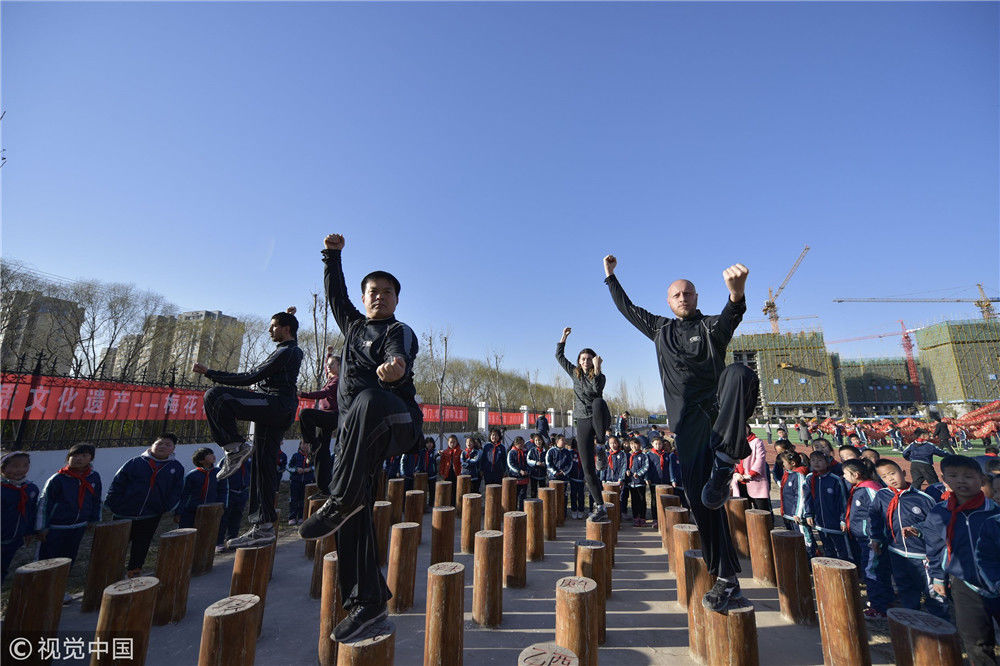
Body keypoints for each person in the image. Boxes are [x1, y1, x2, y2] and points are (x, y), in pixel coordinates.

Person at [604, 253, 756, 611]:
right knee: (705, 504)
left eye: (688, 293)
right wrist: (611, 276)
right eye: (677, 295)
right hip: (686, 430)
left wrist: (736, 294)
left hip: (717, 419)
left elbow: (733, 317)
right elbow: (628, 308)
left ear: (697, 298)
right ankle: (726, 579)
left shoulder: (710, 328)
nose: (683, 298)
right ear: (669, 303)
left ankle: (726, 458)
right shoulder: (660, 329)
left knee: (740, 374)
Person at [297, 233, 423, 642]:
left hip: (398, 420)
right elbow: (336, 296)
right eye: (373, 291)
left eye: (388, 292)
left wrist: (396, 367)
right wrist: (332, 257)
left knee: (369, 397)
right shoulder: (352, 326)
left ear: (396, 300)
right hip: (357, 437)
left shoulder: (397, 330)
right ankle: (366, 602)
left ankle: (342, 499)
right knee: (351, 512)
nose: (379, 297)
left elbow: (400, 354)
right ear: (365, 297)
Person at [195, 307, 303, 548]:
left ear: (286, 329)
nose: (269, 329)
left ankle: (235, 447)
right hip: (275, 410)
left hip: (275, 404)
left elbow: (251, 377)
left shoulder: (289, 351)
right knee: (264, 468)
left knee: (216, 396)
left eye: (274, 325)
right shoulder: (284, 351)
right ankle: (263, 527)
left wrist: (211, 373)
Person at [921, 455, 999, 665]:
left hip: (997, 581)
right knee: (976, 640)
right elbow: (935, 548)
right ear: (944, 479)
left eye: (968, 476)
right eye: (954, 476)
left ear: (982, 479)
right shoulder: (939, 513)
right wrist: (938, 577)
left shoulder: (994, 511)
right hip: (965, 585)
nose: (961, 481)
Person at [869, 458, 947, 619]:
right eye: (885, 477)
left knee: (931, 593)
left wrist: (918, 530)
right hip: (896, 553)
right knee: (905, 589)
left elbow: (935, 526)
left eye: (893, 473)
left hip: (921, 555)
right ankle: (912, 622)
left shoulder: (923, 498)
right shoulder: (882, 496)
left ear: (903, 473)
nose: (890, 478)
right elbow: (875, 517)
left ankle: (941, 626)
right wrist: (876, 537)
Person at [555, 326, 612, 522]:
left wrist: (597, 369)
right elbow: (559, 357)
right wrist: (564, 337)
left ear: (593, 360)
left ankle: (601, 445)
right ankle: (600, 506)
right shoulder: (574, 373)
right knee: (588, 468)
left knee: (597, 402)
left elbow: (596, 390)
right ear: (579, 361)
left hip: (599, 418)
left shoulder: (599, 376)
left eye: (589, 359)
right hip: (583, 422)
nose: (585, 361)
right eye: (583, 359)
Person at [105, 435, 183, 575]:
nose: (163, 446)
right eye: (160, 443)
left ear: (173, 449)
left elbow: (176, 491)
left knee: (142, 543)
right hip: (124, 513)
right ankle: (109, 573)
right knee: (116, 544)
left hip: (151, 514)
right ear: (152, 445)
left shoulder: (176, 467)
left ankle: (134, 571)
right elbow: (117, 484)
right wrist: (115, 504)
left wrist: (165, 507)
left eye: (168, 444)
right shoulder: (135, 462)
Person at [37, 444, 102, 577]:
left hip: (78, 526)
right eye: (75, 455)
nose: (78, 459)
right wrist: (41, 527)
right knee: (47, 560)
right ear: (68, 458)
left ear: (91, 458)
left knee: (68, 558)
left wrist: (94, 519)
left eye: (84, 456)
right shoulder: (58, 479)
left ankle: (60, 588)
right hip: (56, 527)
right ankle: (40, 590)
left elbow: (96, 500)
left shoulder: (94, 477)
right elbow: (45, 503)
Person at [840, 459, 892, 618]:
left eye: (845, 474)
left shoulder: (870, 490)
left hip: (872, 540)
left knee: (872, 570)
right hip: (865, 538)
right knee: (875, 570)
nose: (843, 477)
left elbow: (880, 513)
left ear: (856, 474)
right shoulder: (860, 488)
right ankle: (885, 601)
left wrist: (875, 537)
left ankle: (878, 607)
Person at [298, 349, 340, 500]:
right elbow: (326, 369)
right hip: (326, 419)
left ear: (340, 367)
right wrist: (328, 356)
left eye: (332, 365)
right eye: (328, 365)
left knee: (305, 414)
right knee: (321, 455)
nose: (328, 367)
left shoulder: (337, 381)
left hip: (332, 416)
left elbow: (323, 393)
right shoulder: (330, 378)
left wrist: (304, 395)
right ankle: (324, 488)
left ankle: (312, 443)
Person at [803, 451, 850, 560]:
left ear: (827, 462)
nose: (816, 463)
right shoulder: (810, 478)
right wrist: (809, 514)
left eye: (820, 460)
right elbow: (808, 498)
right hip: (819, 522)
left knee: (841, 550)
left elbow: (842, 501)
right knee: (827, 548)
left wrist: (843, 519)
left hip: (835, 522)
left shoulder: (835, 480)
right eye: (813, 460)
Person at [1, 451, 39, 581]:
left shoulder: (31, 489)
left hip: (14, 539)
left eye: (25, 465)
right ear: (3, 468)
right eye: (15, 466)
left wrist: (29, 532)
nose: (20, 470)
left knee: (3, 568)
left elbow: (31, 512)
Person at [176, 447, 225, 529]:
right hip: (191, 511)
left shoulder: (219, 473)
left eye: (212, 453)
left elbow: (223, 491)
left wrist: (222, 506)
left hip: (211, 509)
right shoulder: (192, 475)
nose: (213, 455)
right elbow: (184, 494)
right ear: (201, 460)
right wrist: (179, 512)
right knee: (189, 531)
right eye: (209, 454)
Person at [731, 425, 770, 512]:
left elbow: (760, 459)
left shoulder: (757, 441)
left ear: (748, 428)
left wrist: (751, 474)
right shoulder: (735, 442)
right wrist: (735, 473)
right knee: (743, 510)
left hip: (755, 480)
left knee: (762, 510)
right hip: (739, 480)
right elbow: (732, 459)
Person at [217, 456, 250, 553]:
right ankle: (219, 542)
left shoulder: (247, 459)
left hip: (242, 491)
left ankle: (232, 540)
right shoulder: (226, 460)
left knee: (237, 517)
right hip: (229, 492)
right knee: (224, 518)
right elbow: (220, 475)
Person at [288, 441, 315, 525]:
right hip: (295, 481)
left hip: (307, 482)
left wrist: (309, 469)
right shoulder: (295, 456)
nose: (304, 446)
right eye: (303, 444)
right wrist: (296, 469)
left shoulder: (311, 456)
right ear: (300, 445)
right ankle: (292, 517)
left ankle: (301, 517)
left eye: (306, 444)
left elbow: (316, 466)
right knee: (294, 499)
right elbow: (288, 467)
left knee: (304, 499)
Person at [625, 437, 650, 527]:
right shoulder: (629, 456)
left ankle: (642, 518)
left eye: (635, 444)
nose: (634, 446)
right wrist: (627, 471)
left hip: (640, 482)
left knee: (642, 500)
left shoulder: (643, 455)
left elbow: (646, 467)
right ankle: (635, 517)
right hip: (631, 482)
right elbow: (626, 466)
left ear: (639, 445)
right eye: (631, 444)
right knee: (634, 500)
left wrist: (638, 474)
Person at [506, 436, 530, 508]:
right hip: (515, 477)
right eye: (520, 443)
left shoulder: (526, 452)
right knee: (514, 495)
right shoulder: (511, 452)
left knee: (523, 495)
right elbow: (510, 464)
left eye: (523, 443)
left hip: (524, 477)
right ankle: (513, 509)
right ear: (516, 444)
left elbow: (528, 463)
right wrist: (519, 471)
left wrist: (527, 471)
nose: (522, 445)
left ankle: (522, 510)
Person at [415, 437, 438, 510]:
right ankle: (423, 505)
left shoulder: (434, 451)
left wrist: (438, 454)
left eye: (431, 442)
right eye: (427, 443)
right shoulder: (422, 452)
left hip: (432, 474)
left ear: (433, 444)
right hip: (423, 474)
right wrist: (418, 469)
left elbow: (436, 456)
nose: (429, 444)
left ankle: (431, 504)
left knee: (432, 490)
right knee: (423, 489)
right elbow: (419, 461)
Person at [438, 435, 462, 504]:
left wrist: (461, 472)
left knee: (455, 489)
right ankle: (447, 503)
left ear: (457, 442)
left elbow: (461, 463)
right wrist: (441, 472)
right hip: (447, 473)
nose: (452, 444)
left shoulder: (460, 451)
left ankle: (454, 504)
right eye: (451, 442)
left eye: (454, 442)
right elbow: (442, 463)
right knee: (447, 489)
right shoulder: (445, 452)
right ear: (448, 442)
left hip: (456, 473)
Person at [567, 439, 586, 519]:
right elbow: (568, 464)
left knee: (581, 495)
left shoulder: (585, 452)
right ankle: (574, 510)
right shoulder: (570, 453)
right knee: (573, 494)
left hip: (582, 478)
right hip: (573, 478)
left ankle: (581, 510)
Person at [526, 434, 548, 499]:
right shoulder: (532, 450)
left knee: (543, 493)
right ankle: (534, 506)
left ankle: (543, 506)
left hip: (543, 475)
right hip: (534, 474)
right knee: (533, 492)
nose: (538, 442)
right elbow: (528, 460)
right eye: (536, 440)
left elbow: (549, 460)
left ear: (542, 441)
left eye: (539, 440)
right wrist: (535, 463)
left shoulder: (546, 451)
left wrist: (544, 464)